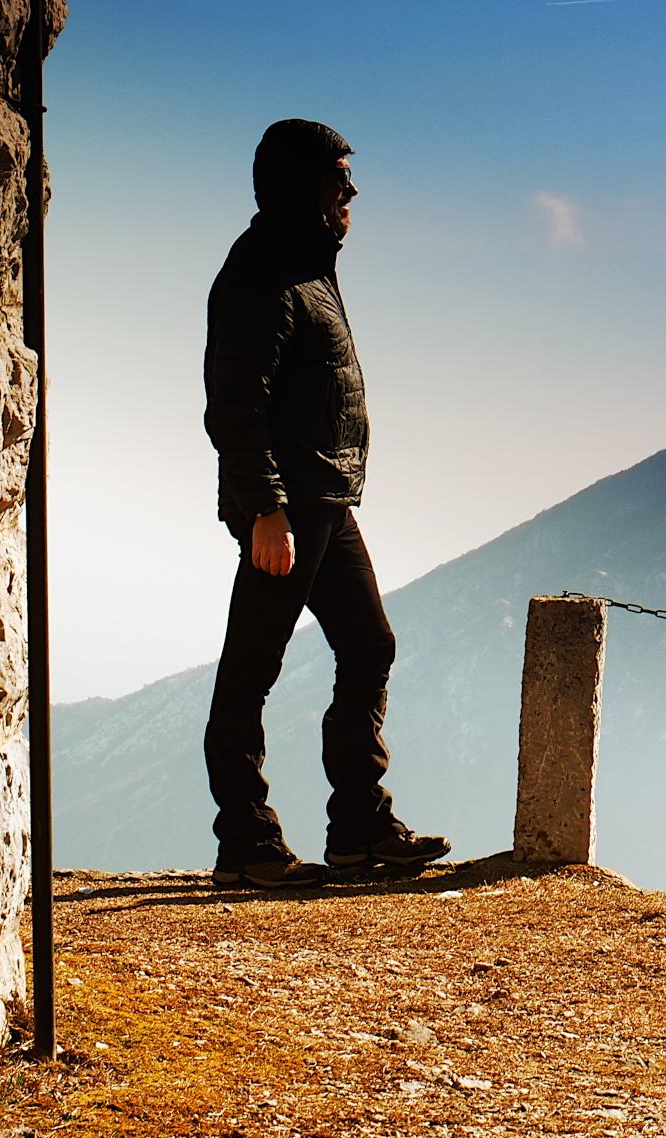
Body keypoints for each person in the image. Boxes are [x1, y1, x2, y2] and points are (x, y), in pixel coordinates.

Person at [202, 119, 449, 888]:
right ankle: (245, 843)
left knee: (370, 645)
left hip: (324, 499)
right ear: (298, 187)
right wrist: (266, 509)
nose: (351, 192)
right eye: (336, 178)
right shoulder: (261, 275)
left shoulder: (307, 266)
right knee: (250, 672)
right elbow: (234, 405)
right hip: (289, 507)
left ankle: (357, 829)